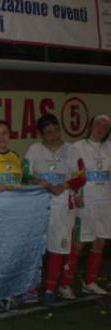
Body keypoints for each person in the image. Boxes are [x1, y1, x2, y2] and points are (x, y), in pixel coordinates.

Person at [23, 113, 86, 304]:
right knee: (36, 248)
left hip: (63, 206)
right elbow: (24, 175)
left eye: (57, 130)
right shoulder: (34, 150)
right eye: (49, 132)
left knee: (58, 248)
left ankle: (50, 289)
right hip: (39, 206)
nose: (54, 135)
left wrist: (64, 186)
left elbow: (82, 176)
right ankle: (30, 287)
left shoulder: (71, 150)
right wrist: (39, 181)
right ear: (41, 134)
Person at [60, 114, 111, 297]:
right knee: (79, 243)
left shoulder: (109, 147)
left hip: (105, 203)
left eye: (106, 126)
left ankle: (90, 282)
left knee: (100, 242)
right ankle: (64, 284)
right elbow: (70, 173)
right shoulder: (78, 147)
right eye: (98, 124)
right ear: (91, 126)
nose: (101, 128)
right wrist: (76, 194)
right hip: (85, 202)